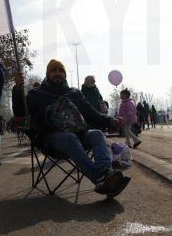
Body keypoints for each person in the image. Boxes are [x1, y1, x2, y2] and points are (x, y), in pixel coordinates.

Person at [22, 59, 130, 197]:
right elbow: (20, 111)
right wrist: (18, 88)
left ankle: (106, 172)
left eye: (61, 71)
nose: (58, 73)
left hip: (79, 135)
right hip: (51, 140)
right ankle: (99, 178)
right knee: (70, 138)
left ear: (65, 75)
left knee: (96, 134)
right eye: (53, 70)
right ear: (48, 74)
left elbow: (91, 114)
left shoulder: (74, 93)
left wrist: (111, 121)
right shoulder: (36, 94)